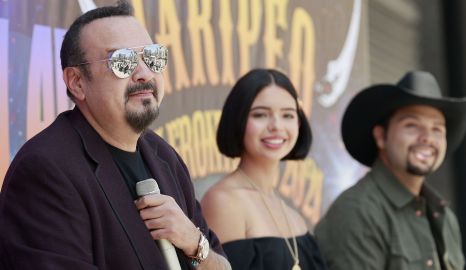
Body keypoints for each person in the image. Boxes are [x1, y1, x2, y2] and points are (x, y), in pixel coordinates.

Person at [0, 2, 231, 270]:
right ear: (77, 82)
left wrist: (193, 241)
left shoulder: (163, 155)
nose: (144, 73)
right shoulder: (45, 169)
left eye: (153, 57)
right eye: (122, 62)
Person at [314, 70, 466, 270]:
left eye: (437, 129)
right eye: (412, 126)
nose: (427, 138)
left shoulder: (445, 217)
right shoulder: (358, 211)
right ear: (381, 137)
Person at [201, 68, 328, 270]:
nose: (276, 125)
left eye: (288, 115)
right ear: (238, 120)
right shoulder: (223, 202)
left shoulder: (293, 216)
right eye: (260, 115)